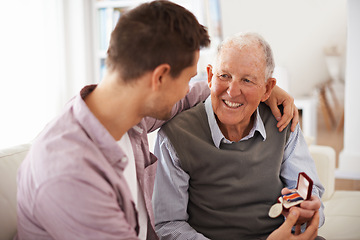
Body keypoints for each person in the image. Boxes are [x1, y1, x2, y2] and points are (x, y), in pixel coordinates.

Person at [15, 1, 306, 239]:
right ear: (159, 78)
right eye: (188, 78)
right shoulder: (70, 176)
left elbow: (200, 93)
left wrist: (263, 90)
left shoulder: (127, 117)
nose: (191, 89)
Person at [153, 32, 325, 240]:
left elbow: (309, 191)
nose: (233, 92)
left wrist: (307, 212)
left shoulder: (283, 121)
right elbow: (168, 225)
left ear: (268, 88)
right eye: (224, 76)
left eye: (247, 80)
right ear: (209, 76)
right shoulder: (174, 136)